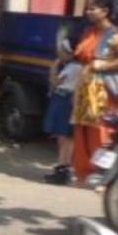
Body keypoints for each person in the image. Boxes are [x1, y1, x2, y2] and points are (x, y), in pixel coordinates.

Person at [71, 0, 118, 186]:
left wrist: (103, 66)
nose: (88, 12)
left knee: (102, 131)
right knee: (83, 131)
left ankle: (106, 175)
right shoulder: (89, 31)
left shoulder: (115, 35)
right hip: (86, 88)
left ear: (105, 12)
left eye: (92, 8)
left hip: (104, 91)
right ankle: (86, 173)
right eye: (87, 8)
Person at [42, 37, 83, 185]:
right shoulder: (76, 66)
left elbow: (55, 82)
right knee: (66, 138)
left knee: (64, 137)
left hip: (65, 100)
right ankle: (64, 169)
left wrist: (54, 66)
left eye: (62, 50)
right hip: (66, 100)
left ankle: (62, 169)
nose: (59, 52)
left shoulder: (73, 67)